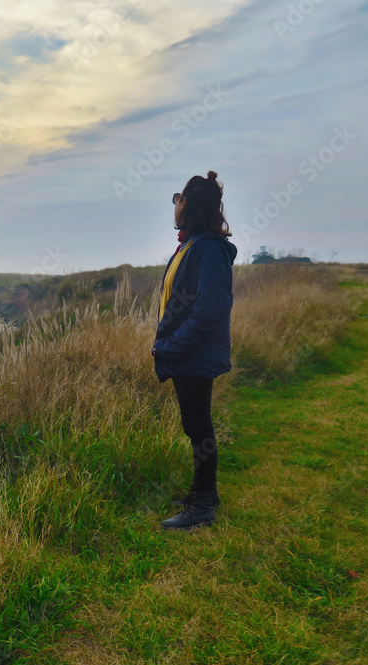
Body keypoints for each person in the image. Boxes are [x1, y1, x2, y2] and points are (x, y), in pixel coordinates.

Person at [151, 171, 238, 530]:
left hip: (192, 355)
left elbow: (209, 310)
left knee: (199, 428)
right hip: (187, 353)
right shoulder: (193, 244)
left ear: (189, 205)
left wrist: (173, 345)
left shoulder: (208, 249)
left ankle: (202, 506)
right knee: (195, 426)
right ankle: (205, 495)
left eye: (178, 198)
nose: (175, 204)